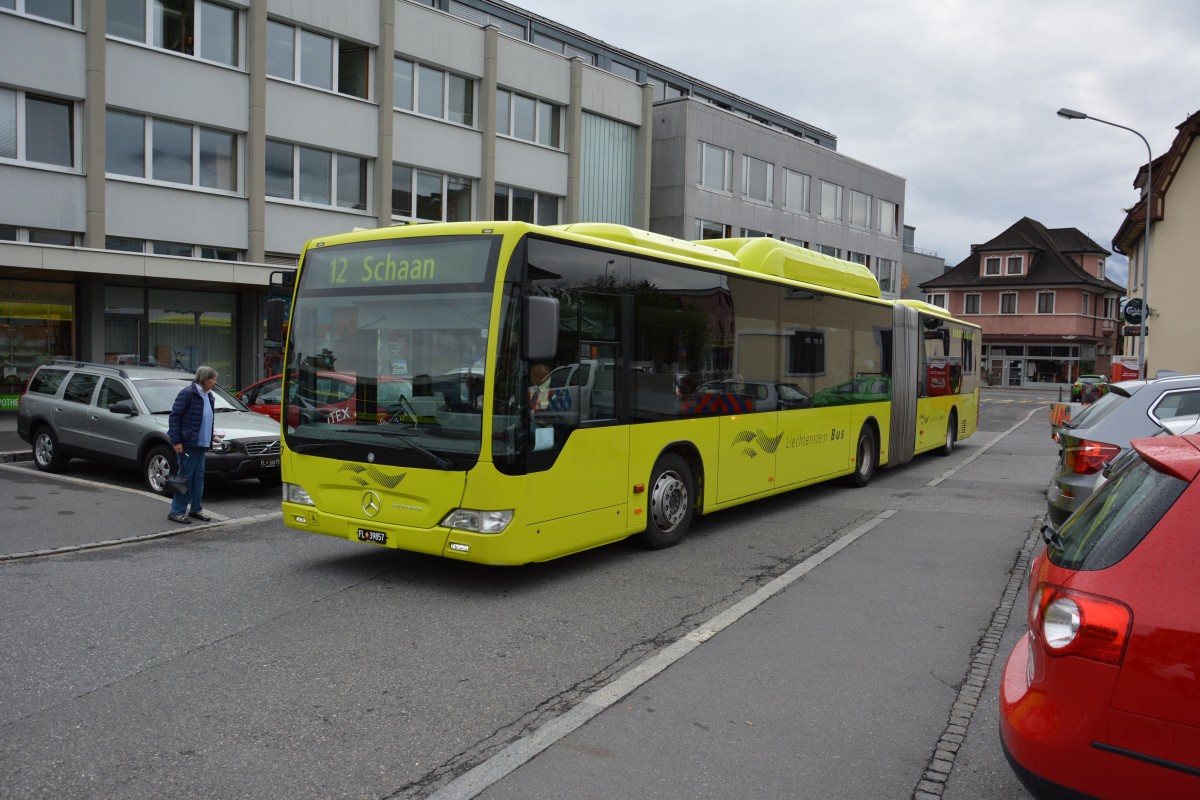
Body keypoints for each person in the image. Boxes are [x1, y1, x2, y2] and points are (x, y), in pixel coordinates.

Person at [167, 365, 219, 523]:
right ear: (205, 379)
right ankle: (176, 512)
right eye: (213, 379)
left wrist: (211, 435)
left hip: (202, 443)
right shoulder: (188, 393)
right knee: (185, 477)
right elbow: (175, 417)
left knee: (199, 477)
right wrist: (176, 441)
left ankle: (196, 509)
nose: (214, 383)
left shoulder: (208, 396)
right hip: (188, 443)